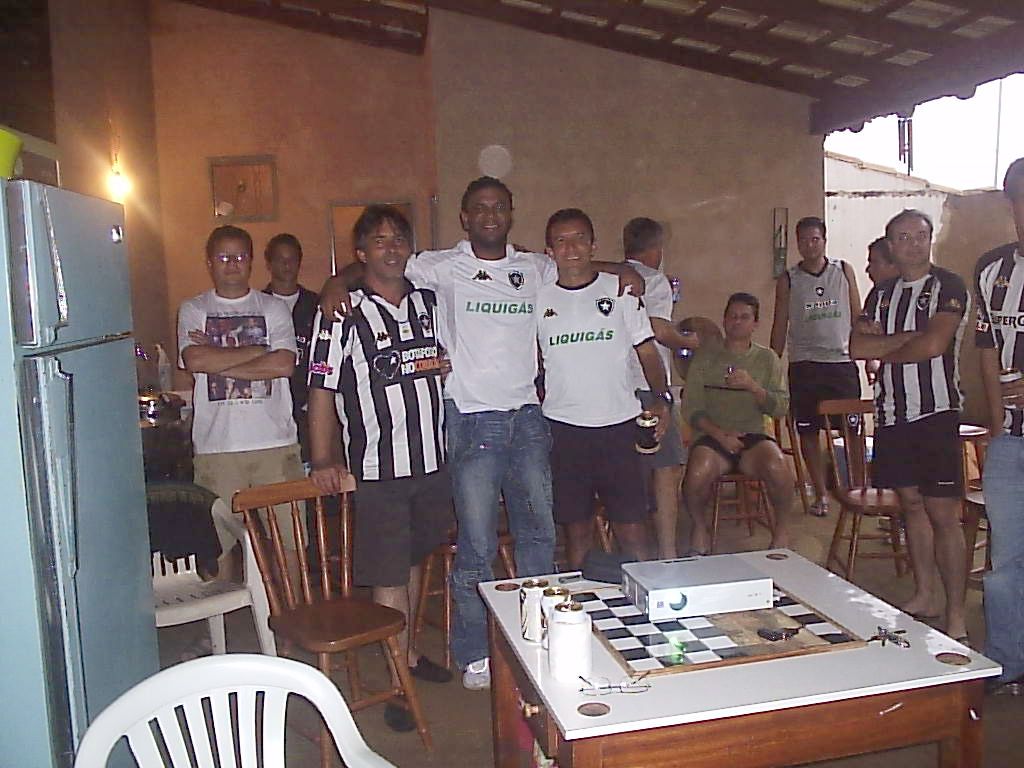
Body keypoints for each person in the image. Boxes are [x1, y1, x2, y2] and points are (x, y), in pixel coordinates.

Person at [317, 177, 643, 690]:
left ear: (511, 214)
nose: (490, 215)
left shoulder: (533, 267)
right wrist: (336, 283)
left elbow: (574, 262)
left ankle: (538, 636)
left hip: (529, 418)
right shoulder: (441, 265)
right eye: (480, 208)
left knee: (539, 537)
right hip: (471, 421)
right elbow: (383, 261)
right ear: (465, 218)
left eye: (499, 207)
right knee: (476, 546)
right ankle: (475, 652)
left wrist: (623, 270)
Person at [307, 205, 452, 732]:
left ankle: (407, 654)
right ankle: (397, 684)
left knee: (412, 563)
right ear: (361, 253)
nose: (391, 248)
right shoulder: (342, 312)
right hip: (379, 470)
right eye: (379, 240)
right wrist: (323, 458)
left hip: (432, 464)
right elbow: (321, 387)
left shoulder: (429, 302)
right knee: (389, 576)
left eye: (398, 239)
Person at [850, 209, 970, 642]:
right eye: (902, 238)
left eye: (920, 236)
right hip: (891, 415)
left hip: (936, 414)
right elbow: (857, 347)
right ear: (891, 244)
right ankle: (925, 594)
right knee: (912, 507)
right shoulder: (880, 294)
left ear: (929, 239)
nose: (913, 244)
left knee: (943, 514)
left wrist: (886, 348)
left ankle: (956, 614)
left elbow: (935, 344)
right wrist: (907, 341)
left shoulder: (948, 285)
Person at [539, 209, 670, 569]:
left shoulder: (620, 290)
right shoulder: (538, 298)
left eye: (579, 239)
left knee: (633, 530)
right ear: (549, 251)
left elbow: (647, 351)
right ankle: (580, 601)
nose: (571, 248)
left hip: (618, 429)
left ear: (593, 245)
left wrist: (662, 399)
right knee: (577, 532)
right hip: (564, 431)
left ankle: (645, 598)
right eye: (561, 241)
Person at [177, 225, 303, 579]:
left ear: (250, 262)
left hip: (275, 445)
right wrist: (258, 350)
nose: (232, 264)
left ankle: (293, 610)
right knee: (215, 547)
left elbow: (284, 365)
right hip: (217, 448)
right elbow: (194, 360)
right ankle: (223, 613)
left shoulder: (274, 308)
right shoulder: (193, 309)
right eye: (223, 257)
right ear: (209, 263)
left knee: (289, 544)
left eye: (239, 257)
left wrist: (217, 356)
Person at [682, 292, 793, 554]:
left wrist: (754, 387)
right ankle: (699, 526)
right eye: (732, 316)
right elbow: (691, 408)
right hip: (713, 436)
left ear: (755, 324)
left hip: (753, 437)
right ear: (724, 320)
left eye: (744, 317)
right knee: (696, 473)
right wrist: (720, 435)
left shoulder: (767, 359)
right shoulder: (705, 357)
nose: (737, 322)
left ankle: (782, 530)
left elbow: (780, 407)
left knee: (779, 466)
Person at [770, 216, 861, 517]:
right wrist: (772, 363)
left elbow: (858, 314)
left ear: (824, 240)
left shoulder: (843, 270)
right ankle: (821, 493)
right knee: (808, 432)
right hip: (805, 365)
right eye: (804, 241)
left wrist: (870, 356)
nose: (810, 246)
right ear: (797, 244)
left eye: (815, 239)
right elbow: (780, 322)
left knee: (851, 430)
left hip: (841, 363)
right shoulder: (789, 279)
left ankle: (855, 491)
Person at [973, 157, 1024, 691]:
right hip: (1011, 441)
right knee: (1006, 561)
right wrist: (994, 424)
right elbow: (986, 349)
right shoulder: (992, 270)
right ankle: (1007, 662)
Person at [622, 217, 699, 558]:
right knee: (665, 470)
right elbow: (657, 329)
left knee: (630, 475)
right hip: (647, 386)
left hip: (617, 388)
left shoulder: (611, 277)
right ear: (656, 249)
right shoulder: (654, 281)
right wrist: (689, 341)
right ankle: (667, 554)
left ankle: (635, 555)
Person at [261, 233, 319, 461]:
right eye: (280, 259)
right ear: (269, 263)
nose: (286, 265)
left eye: (292, 259)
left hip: (309, 409)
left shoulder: (316, 305)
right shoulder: (258, 306)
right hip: (268, 410)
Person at [865, 236, 901, 385]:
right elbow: (862, 338)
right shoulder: (876, 295)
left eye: (874, 262)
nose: (868, 269)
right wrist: (871, 359)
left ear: (893, 264)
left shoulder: (917, 295)